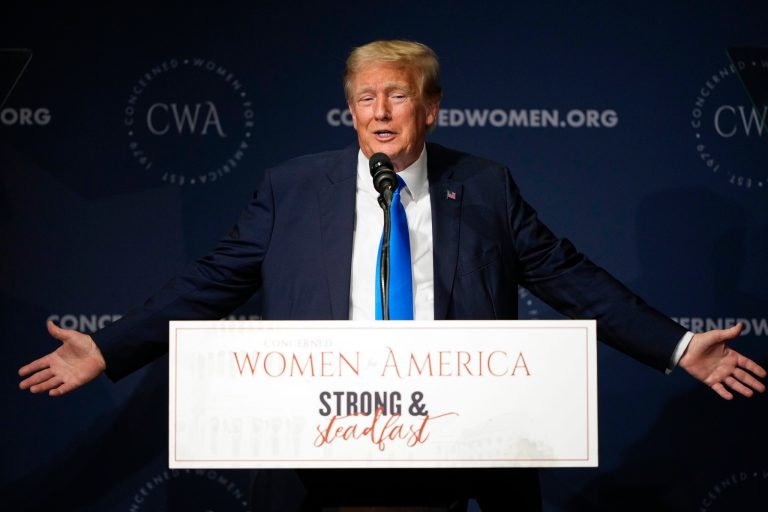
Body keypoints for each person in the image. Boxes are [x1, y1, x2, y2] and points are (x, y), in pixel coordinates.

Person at [18, 40, 765, 511]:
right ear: (349, 110)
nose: (380, 112)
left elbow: (569, 277)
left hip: (458, 443)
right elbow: (209, 281)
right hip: (320, 441)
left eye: (398, 95)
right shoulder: (292, 188)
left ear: (429, 108)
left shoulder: (484, 186)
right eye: (365, 98)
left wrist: (677, 346)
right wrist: (109, 347)